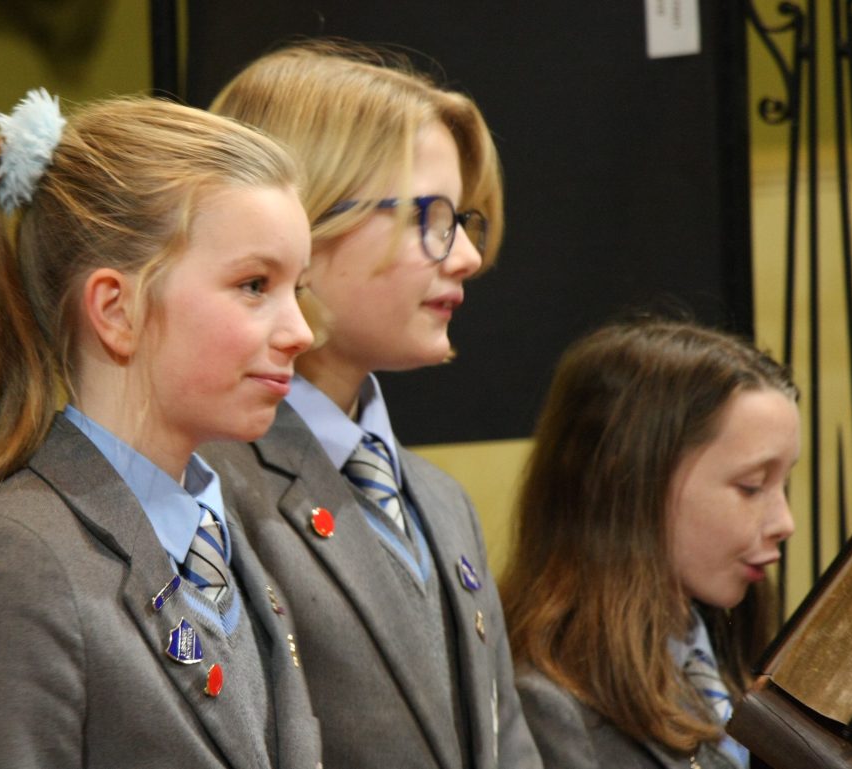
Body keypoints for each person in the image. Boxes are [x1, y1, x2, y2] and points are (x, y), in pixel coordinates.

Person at [0, 88, 321, 769]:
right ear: (116, 309)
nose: (299, 331)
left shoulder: (222, 534)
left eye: (299, 287)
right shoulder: (9, 566)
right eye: (255, 284)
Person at [200, 40, 542, 769]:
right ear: (303, 220)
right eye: (430, 216)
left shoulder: (443, 504)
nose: (467, 257)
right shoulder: (203, 490)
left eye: (464, 221)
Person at [499, 318, 800, 769]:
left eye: (785, 483)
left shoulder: (732, 659)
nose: (785, 522)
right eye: (752, 486)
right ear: (630, 481)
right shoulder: (550, 708)